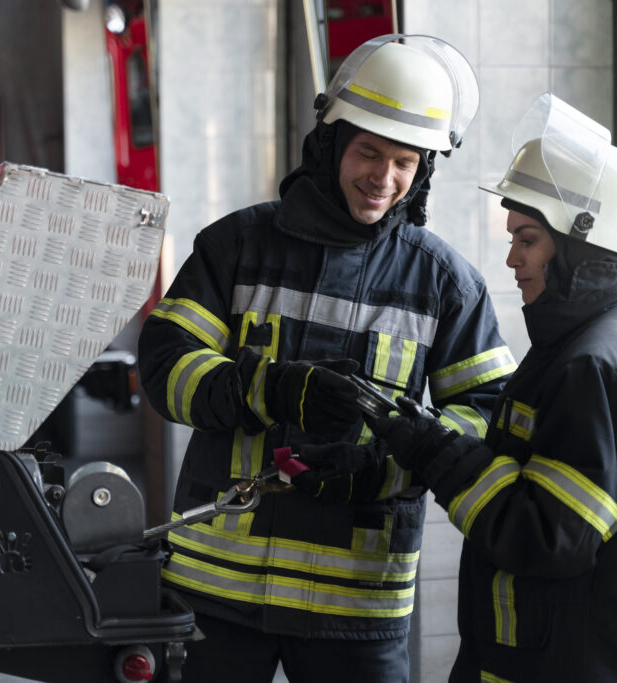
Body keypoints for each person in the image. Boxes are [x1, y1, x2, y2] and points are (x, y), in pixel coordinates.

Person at [137, 34, 515, 683]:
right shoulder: (235, 245)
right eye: (369, 151)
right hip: (217, 588)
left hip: (356, 603)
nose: (383, 177)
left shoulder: (447, 285)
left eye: (404, 161)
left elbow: (485, 423)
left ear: (423, 169)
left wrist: (383, 467)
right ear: (330, 141)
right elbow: (166, 369)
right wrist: (270, 389)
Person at [300, 94, 617, 681]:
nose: (513, 258)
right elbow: (523, 479)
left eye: (528, 239)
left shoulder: (598, 365)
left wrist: (434, 453)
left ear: (579, 245)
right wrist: (417, 439)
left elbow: (543, 537)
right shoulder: (579, 345)